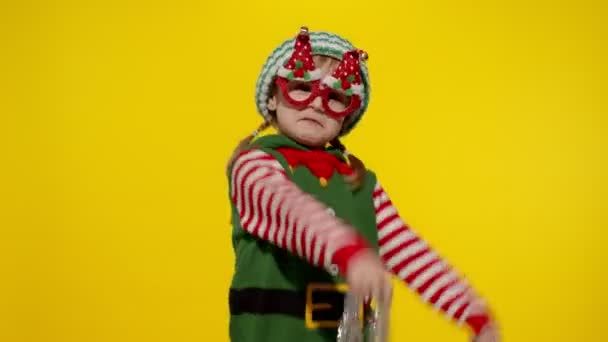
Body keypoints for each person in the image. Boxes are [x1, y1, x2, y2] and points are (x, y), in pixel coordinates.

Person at [226, 26, 500, 342]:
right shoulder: (255, 166)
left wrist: (471, 312)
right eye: (302, 87)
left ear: (347, 115)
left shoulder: (358, 183)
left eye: (335, 97)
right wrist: (350, 253)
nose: (316, 103)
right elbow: (290, 210)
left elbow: (408, 249)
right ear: (273, 97)